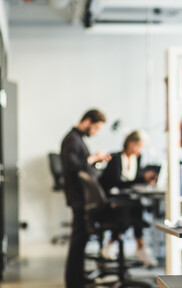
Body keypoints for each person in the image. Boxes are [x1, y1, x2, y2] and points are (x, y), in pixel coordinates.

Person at [61, 109, 111, 288]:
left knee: (82, 239)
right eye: (96, 127)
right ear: (87, 121)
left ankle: (79, 277)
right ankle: (73, 281)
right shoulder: (71, 140)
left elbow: (84, 166)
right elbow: (74, 168)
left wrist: (96, 161)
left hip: (82, 196)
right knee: (78, 240)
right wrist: (92, 158)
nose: (95, 132)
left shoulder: (78, 139)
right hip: (78, 196)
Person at [99, 130, 159, 267]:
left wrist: (145, 178)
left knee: (136, 206)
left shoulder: (137, 159)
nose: (140, 150)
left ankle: (117, 244)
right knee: (133, 209)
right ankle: (137, 247)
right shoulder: (115, 159)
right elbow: (117, 181)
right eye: (138, 146)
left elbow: (134, 179)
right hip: (110, 201)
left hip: (125, 199)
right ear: (130, 144)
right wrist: (141, 178)